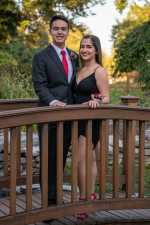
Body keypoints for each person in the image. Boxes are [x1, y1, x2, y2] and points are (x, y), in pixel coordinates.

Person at [32, 14, 78, 212]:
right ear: (50, 31)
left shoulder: (73, 55)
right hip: (49, 116)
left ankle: (57, 197)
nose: (60, 31)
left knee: (61, 159)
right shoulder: (41, 57)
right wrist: (52, 101)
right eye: (56, 28)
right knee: (49, 159)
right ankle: (48, 204)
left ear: (68, 32)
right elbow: (39, 85)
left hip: (69, 117)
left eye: (63, 28)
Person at [72, 34, 109, 220]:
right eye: (82, 46)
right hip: (76, 119)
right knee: (89, 159)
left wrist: (97, 101)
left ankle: (83, 200)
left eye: (89, 46)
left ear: (96, 50)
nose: (85, 49)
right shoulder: (78, 70)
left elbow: (106, 97)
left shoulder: (99, 71)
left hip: (90, 120)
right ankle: (91, 194)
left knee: (79, 160)